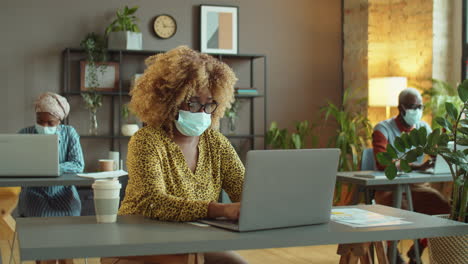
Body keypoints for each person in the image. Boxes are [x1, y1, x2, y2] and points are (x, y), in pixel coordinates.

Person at [101, 46, 247, 264]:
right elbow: (154, 202)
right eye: (194, 102)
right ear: (170, 100)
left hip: (191, 242)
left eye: (209, 105)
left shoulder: (215, 143)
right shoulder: (146, 140)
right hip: (134, 245)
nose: (201, 112)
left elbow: (244, 189)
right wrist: (219, 209)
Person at [372, 88, 450, 264]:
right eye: (414, 107)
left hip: (418, 187)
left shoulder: (424, 128)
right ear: (401, 108)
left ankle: (418, 250)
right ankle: (392, 251)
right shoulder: (382, 129)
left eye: (421, 107)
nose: (418, 111)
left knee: (445, 210)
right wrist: (417, 165)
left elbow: (434, 151)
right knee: (403, 211)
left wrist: (441, 154)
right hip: (388, 188)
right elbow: (382, 162)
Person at [18, 92, 85, 218]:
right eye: (40, 121)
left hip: (65, 193)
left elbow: (78, 164)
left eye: (50, 123)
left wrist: (50, 168)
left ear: (59, 121)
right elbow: (17, 165)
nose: (44, 126)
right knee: (37, 221)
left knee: (69, 223)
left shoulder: (69, 133)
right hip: (34, 194)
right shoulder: (24, 134)